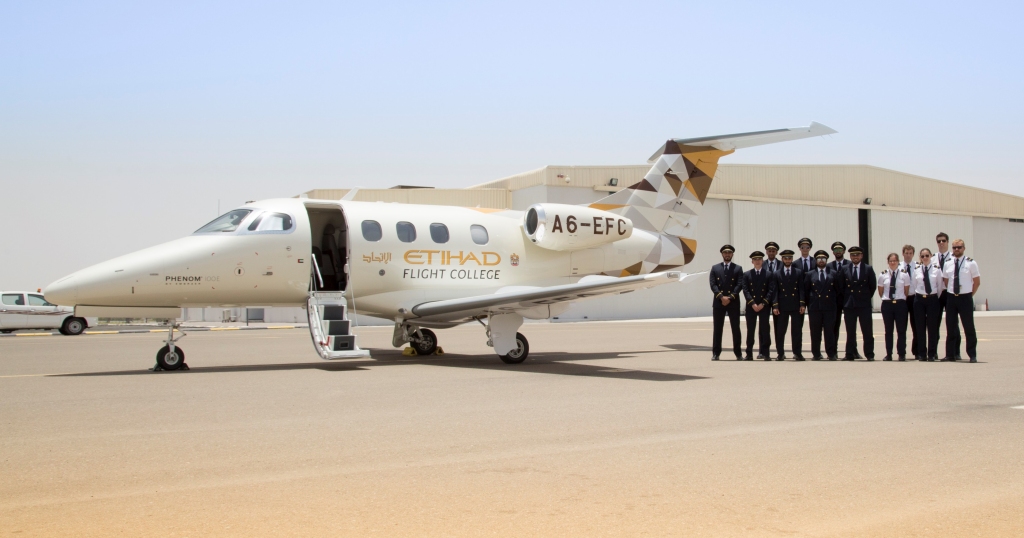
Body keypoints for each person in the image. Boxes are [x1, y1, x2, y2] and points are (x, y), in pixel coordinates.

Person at [942, 239, 981, 362]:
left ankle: (972, 355)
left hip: (965, 298)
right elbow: (946, 281)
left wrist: (969, 294)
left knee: (968, 327)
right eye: (954, 248)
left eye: (959, 247)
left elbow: (977, 282)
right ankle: (950, 354)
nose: (956, 250)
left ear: (964, 248)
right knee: (951, 327)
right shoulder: (948, 263)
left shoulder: (971, 263)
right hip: (952, 298)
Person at [837, 246, 875, 360]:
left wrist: (865, 297)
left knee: (867, 331)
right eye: (853, 255)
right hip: (850, 304)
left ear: (861, 256)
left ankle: (869, 354)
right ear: (850, 256)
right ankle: (849, 354)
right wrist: (847, 299)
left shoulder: (868, 268)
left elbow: (872, 286)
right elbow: (841, 287)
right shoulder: (845, 269)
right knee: (850, 332)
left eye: (857, 255)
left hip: (864, 304)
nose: (855, 257)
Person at [709, 245, 744, 361]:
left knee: (735, 329)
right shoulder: (715, 268)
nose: (727, 255)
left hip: (733, 302)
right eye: (725, 253)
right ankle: (716, 353)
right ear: (722, 254)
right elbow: (713, 284)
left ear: (732, 254)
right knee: (718, 329)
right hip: (719, 303)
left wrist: (729, 297)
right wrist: (721, 297)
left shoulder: (738, 268)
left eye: (729, 253)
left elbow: (739, 285)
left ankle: (738, 353)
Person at [771, 249, 805, 360]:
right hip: (782, 306)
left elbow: (801, 289)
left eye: (789, 258)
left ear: (792, 259)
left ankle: (797, 353)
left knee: (797, 331)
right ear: (782, 259)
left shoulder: (798, 272)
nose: (787, 260)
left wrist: (802, 304)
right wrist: (775, 305)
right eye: (785, 258)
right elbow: (775, 290)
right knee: (780, 331)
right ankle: (780, 353)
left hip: (795, 305)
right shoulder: (777, 273)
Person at [878, 253, 912, 361]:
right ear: (888, 262)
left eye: (895, 261)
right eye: (891, 261)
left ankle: (901, 353)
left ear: (898, 262)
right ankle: (889, 354)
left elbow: (906, 290)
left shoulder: (904, 274)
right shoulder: (883, 274)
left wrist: (899, 299)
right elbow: (880, 291)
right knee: (888, 330)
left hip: (900, 304)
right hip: (887, 304)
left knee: (901, 330)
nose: (893, 263)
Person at [806, 249, 839, 360]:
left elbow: (838, 290)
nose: (821, 261)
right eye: (819, 259)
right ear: (816, 260)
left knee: (829, 331)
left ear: (826, 260)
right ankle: (816, 354)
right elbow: (806, 290)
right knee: (815, 332)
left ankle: (831, 353)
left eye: (823, 259)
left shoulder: (833, 273)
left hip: (829, 307)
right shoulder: (810, 274)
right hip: (815, 307)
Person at [913, 248, 943, 361]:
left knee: (932, 328)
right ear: (920, 258)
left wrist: (933, 296)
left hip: (932, 300)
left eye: (927, 255)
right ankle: (922, 353)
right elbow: (915, 284)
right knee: (920, 328)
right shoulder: (917, 269)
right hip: (920, 300)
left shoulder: (937, 270)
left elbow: (939, 286)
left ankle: (932, 353)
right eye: (922, 256)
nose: (925, 258)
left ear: (930, 256)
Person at [742, 251, 773, 360]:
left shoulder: (768, 274)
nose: (757, 261)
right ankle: (749, 353)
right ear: (752, 262)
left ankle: (766, 353)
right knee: (750, 330)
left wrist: (763, 303)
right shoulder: (747, 274)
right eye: (755, 259)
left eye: (759, 259)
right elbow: (745, 290)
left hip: (764, 306)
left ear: (762, 261)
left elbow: (770, 290)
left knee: (765, 330)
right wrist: (753, 303)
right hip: (751, 306)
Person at [827, 242, 851, 344]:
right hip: (834, 300)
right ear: (833, 252)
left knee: (850, 326)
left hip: (847, 299)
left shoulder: (850, 264)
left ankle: (852, 351)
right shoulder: (829, 266)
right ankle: (833, 350)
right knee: (834, 325)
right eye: (836, 250)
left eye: (840, 250)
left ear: (844, 251)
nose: (838, 252)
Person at [899, 245, 920, 358]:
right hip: (902, 299)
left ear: (913, 254)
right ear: (903, 254)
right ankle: (902, 351)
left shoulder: (918, 266)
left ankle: (917, 351)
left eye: (910, 253)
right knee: (902, 326)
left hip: (914, 297)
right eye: (906, 253)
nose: (908, 255)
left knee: (916, 326)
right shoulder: (898, 266)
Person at [934, 232, 953, 329]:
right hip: (937, 293)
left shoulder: (954, 258)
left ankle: (954, 344)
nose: (941, 243)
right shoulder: (932, 258)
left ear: (948, 242)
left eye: (944, 241)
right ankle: (933, 344)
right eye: (939, 241)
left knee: (952, 323)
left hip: (949, 293)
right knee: (935, 323)